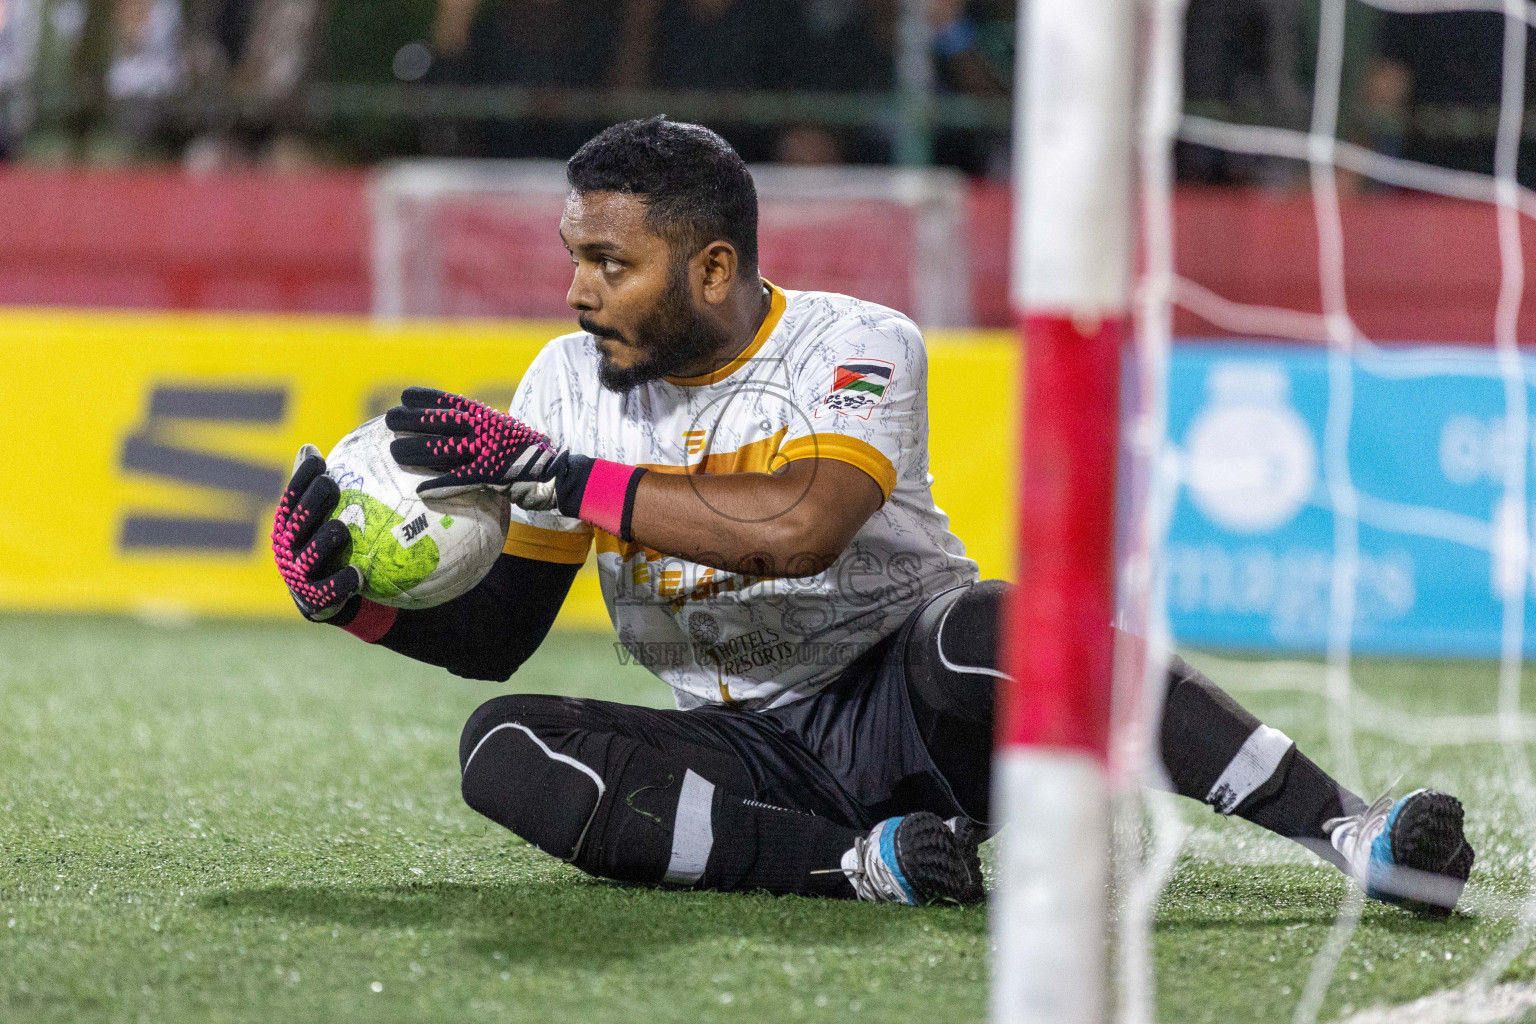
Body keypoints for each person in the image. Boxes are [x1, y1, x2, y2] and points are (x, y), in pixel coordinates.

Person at [271, 116, 1474, 911]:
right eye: (574, 256)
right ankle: (860, 869)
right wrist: (357, 610)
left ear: (712, 271)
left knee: (990, 624)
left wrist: (565, 478)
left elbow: (801, 527)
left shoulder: (852, 344)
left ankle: (1353, 833)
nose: (577, 291)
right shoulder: (563, 384)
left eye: (609, 263)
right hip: (749, 747)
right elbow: (502, 637)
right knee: (508, 748)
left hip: (919, 706)